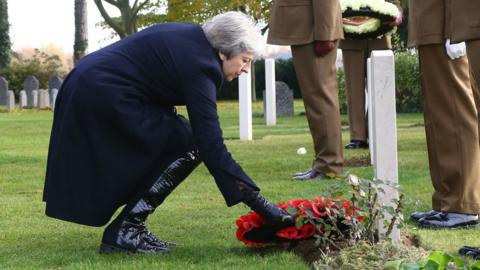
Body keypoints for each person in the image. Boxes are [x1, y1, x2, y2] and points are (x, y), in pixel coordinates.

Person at [43, 11, 294, 254]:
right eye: (245, 60)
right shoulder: (202, 66)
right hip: (102, 92)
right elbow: (211, 144)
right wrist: (263, 207)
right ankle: (127, 230)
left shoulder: (193, 39)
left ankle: (129, 228)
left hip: (90, 83)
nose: (246, 69)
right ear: (223, 51)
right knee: (190, 142)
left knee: (181, 137)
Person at [408, 0, 480, 229]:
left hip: (446, 24)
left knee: (455, 113)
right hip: (432, 22)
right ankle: (447, 200)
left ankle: (463, 202)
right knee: (438, 117)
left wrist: (453, 28)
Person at [267, 0, 344, 180]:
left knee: (320, 97)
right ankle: (323, 163)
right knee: (315, 99)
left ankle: (329, 165)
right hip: (308, 28)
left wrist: (325, 33)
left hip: (313, 29)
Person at [340, 0, 402, 150]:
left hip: (379, 37)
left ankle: (376, 131)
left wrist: (395, 14)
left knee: (381, 89)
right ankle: (358, 137)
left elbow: (394, 3)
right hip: (351, 39)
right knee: (354, 90)